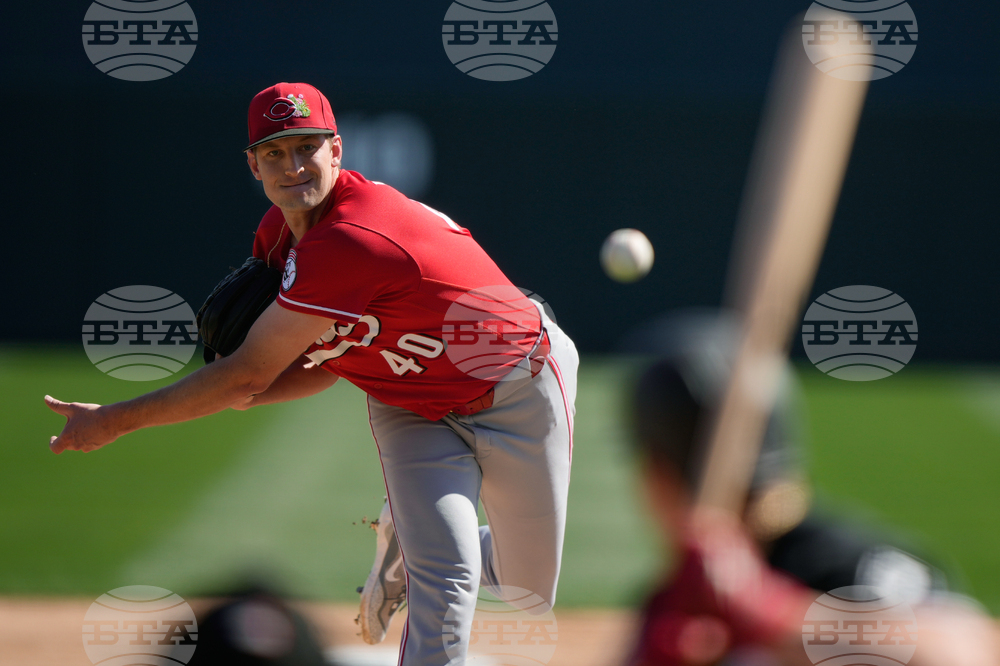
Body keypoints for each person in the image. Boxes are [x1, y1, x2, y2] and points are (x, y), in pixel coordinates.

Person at [44, 82, 578, 666]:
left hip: (518, 387)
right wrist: (253, 390)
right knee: (445, 584)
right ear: (253, 164)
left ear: (337, 150)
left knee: (527, 591)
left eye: (306, 146)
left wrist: (115, 421)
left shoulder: (355, 238)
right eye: (274, 152)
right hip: (405, 402)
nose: (293, 165)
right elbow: (323, 366)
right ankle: (424, 552)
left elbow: (245, 375)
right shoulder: (277, 235)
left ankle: (409, 545)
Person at [624, 310, 998, 666]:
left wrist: (771, 613)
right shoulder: (683, 603)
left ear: (658, 473)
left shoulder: (846, 567)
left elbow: (964, 653)